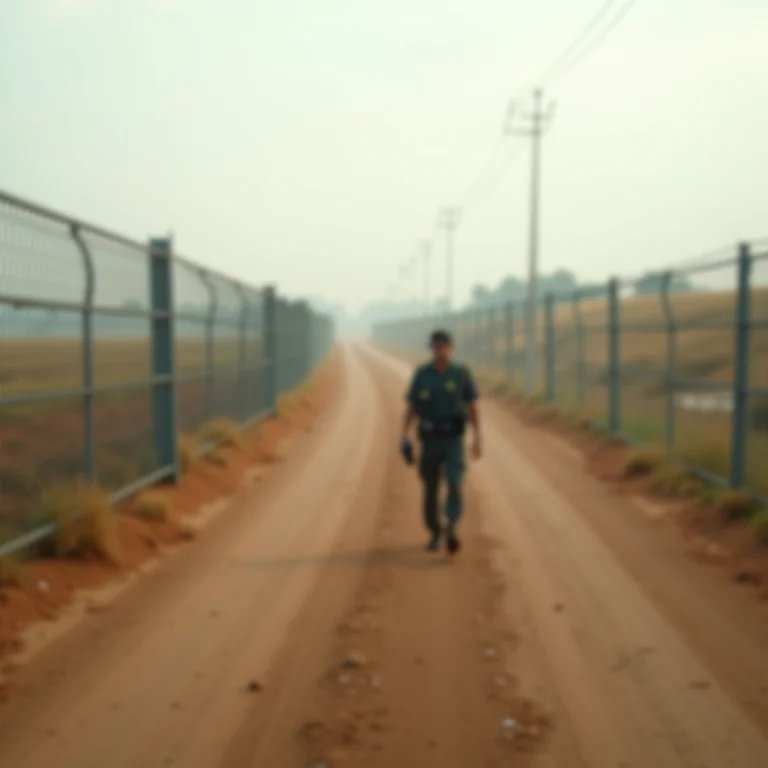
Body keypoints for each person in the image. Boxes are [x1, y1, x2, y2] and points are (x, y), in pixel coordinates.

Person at [400, 329, 482, 554]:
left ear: (451, 347)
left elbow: (473, 407)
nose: (440, 351)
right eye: (436, 346)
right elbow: (412, 407)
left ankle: (451, 525)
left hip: (453, 439)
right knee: (430, 486)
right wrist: (404, 436)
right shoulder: (423, 374)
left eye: (444, 346)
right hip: (430, 439)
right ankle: (435, 531)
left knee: (454, 481)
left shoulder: (461, 373)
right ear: (431, 348)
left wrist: (477, 438)